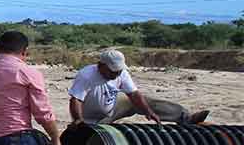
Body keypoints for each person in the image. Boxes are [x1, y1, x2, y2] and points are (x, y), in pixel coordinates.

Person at [68, 49, 209, 126]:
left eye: (118, 71)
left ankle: (186, 117)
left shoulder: (121, 73)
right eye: (113, 71)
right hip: (91, 120)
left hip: (112, 109)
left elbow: (134, 95)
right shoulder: (87, 75)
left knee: (143, 101)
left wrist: (148, 111)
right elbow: (76, 100)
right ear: (101, 65)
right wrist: (78, 122)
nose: (116, 74)